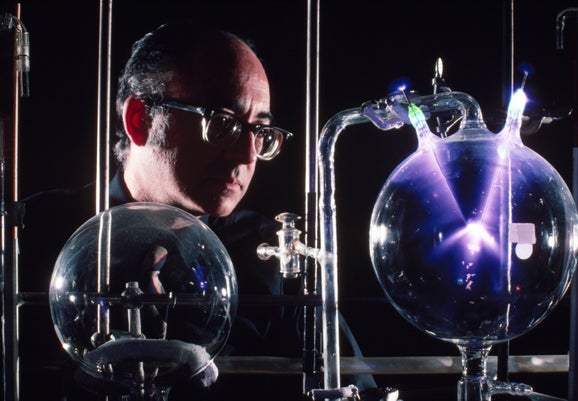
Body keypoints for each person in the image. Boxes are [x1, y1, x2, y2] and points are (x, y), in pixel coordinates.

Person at [16, 19, 376, 401]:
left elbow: (355, 387)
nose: (246, 155)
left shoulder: (272, 257)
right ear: (140, 120)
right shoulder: (29, 234)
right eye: (221, 123)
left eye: (260, 131)